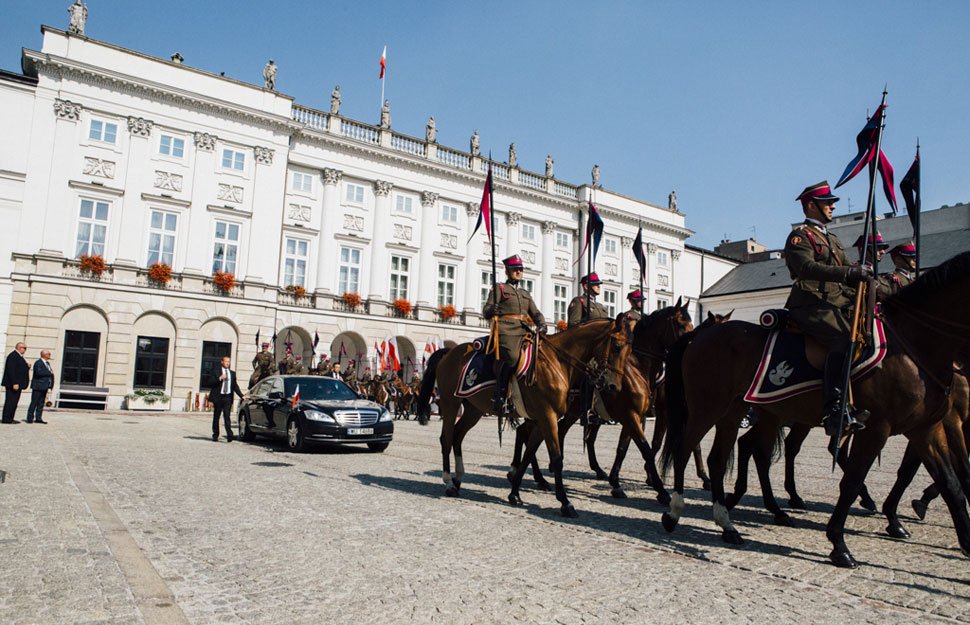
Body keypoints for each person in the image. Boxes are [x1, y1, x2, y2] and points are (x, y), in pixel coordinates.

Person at [785, 181, 872, 438]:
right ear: (811, 205)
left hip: (836, 302)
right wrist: (849, 273)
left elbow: (848, 270)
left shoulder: (831, 238)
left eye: (831, 202)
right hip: (809, 303)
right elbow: (806, 269)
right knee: (844, 339)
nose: (833, 206)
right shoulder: (800, 236)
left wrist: (863, 274)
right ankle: (834, 409)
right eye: (827, 203)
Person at [482, 255, 546, 413]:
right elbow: (486, 310)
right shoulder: (500, 288)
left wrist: (542, 324)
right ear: (507, 271)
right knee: (512, 357)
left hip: (524, 330)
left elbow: (535, 312)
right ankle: (500, 395)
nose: (518, 272)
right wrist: (492, 310)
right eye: (515, 269)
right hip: (506, 330)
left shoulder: (525, 293)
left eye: (520, 269)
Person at [208, 355, 243, 442]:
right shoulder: (216, 372)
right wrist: (219, 378)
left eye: (229, 362)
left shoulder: (232, 373)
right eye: (226, 361)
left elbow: (235, 386)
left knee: (227, 416)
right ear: (222, 362)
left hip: (227, 397)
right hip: (218, 397)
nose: (227, 363)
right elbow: (210, 383)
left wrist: (242, 396)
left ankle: (229, 435)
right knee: (216, 416)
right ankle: (215, 434)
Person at [2, 342, 29, 424]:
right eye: (23, 348)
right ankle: (6, 419)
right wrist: (14, 382)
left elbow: (19, 368)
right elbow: (11, 370)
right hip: (13, 384)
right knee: (10, 402)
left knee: (14, 402)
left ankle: (10, 418)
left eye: (25, 348)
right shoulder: (13, 356)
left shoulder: (19, 356)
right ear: (19, 347)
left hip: (18, 384)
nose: (24, 350)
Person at [26, 350, 54, 424]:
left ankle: (38, 418)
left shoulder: (47, 363)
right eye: (48, 354)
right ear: (44, 355)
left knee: (41, 403)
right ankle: (30, 418)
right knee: (34, 402)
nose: (50, 355)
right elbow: (38, 373)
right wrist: (49, 372)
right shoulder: (38, 363)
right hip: (38, 386)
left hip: (45, 386)